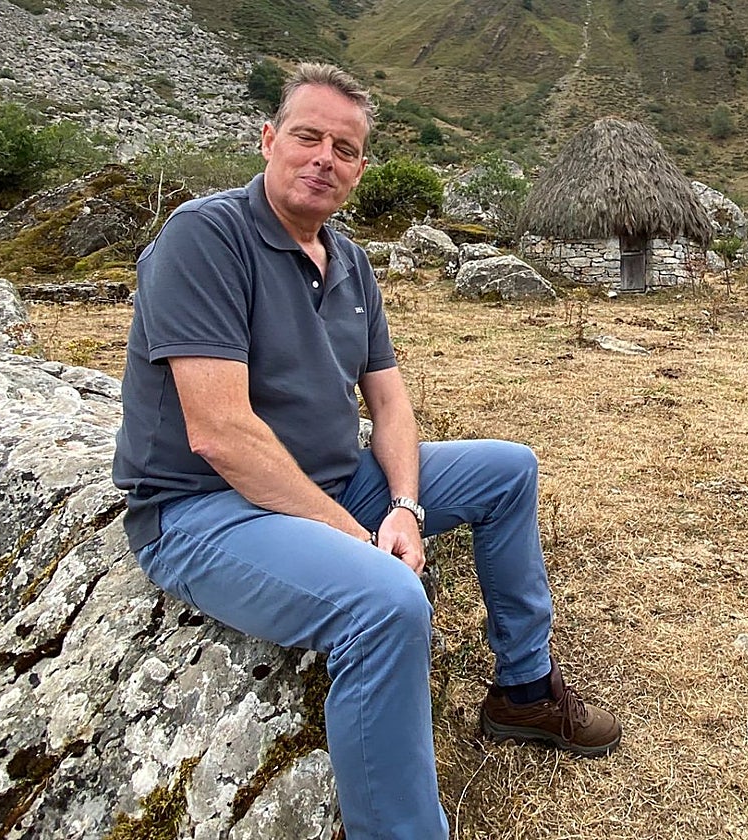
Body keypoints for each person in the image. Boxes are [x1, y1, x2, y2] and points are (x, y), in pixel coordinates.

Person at [112, 63, 620, 839]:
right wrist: (361, 541)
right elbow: (220, 432)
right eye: (308, 136)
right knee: (386, 604)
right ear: (269, 139)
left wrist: (406, 508)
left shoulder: (349, 262)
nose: (324, 158)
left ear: (359, 168)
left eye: (344, 148)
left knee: (508, 470)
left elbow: (387, 399)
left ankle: (524, 690)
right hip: (204, 511)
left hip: (333, 479)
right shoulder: (205, 238)